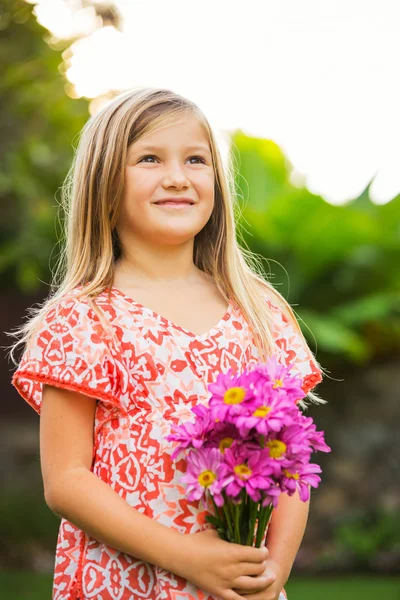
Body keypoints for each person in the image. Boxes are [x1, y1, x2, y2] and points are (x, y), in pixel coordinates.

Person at [8, 87, 326, 600]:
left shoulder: (260, 311)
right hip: (124, 584)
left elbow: (290, 460)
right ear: (104, 183)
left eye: (195, 159)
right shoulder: (84, 317)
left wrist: (272, 575)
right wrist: (186, 557)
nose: (177, 177)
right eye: (150, 159)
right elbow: (65, 480)